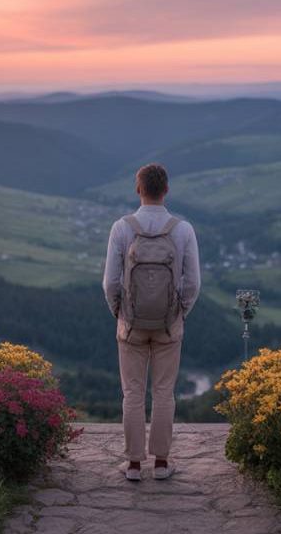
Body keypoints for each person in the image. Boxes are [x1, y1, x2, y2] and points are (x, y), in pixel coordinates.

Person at [103, 163, 200, 481]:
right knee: (163, 393)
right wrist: (180, 312)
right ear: (167, 190)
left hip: (130, 325)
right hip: (169, 326)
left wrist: (120, 312)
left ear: (138, 189)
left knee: (132, 393)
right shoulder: (182, 229)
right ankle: (161, 463)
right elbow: (193, 283)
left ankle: (133, 465)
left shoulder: (122, 228)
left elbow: (110, 283)